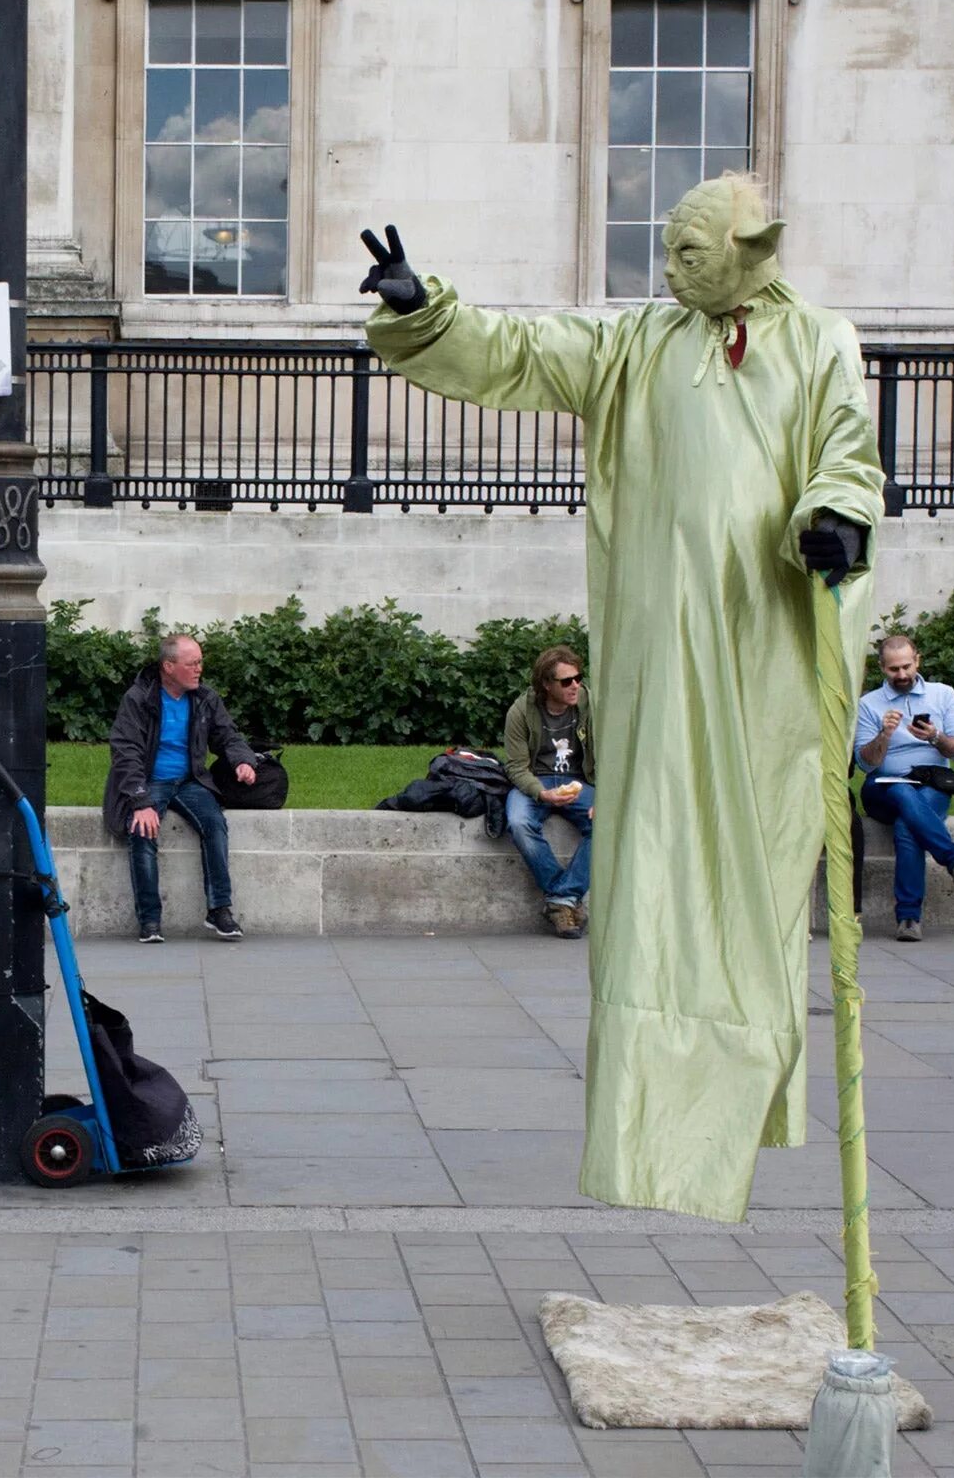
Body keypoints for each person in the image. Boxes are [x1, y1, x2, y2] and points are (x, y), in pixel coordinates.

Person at [360, 175, 884, 1224]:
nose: (671, 266)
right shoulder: (637, 345)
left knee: (755, 857)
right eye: (668, 248)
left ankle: (745, 1079)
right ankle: (662, 1126)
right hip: (656, 645)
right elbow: (520, 355)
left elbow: (846, 455)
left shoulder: (821, 340)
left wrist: (835, 518)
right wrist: (429, 311)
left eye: (690, 249)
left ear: (749, 248)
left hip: (763, 637)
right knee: (649, 877)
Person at [102, 633, 257, 944]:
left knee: (215, 824)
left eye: (200, 662)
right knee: (142, 830)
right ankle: (150, 920)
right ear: (169, 666)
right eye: (192, 663)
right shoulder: (139, 698)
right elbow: (125, 750)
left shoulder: (205, 698)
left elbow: (228, 736)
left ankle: (219, 910)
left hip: (189, 781)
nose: (199, 669)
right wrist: (140, 799)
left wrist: (242, 761)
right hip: (149, 783)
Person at [854, 634, 954, 942]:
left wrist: (935, 737)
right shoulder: (870, 704)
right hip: (883, 788)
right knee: (900, 790)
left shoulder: (943, 695)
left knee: (906, 827)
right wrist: (884, 735)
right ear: (882, 668)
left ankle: (909, 919)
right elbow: (865, 764)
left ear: (918, 661)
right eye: (893, 669)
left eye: (906, 667)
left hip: (932, 784)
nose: (901, 675)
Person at [501, 645, 596, 940]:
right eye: (566, 681)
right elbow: (516, 767)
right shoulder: (521, 711)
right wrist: (542, 794)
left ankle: (561, 900)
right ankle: (564, 899)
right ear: (545, 684)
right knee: (518, 822)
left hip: (579, 781)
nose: (575, 686)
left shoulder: (590, 705)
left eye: (577, 678)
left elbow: (609, 755)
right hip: (536, 781)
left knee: (610, 824)